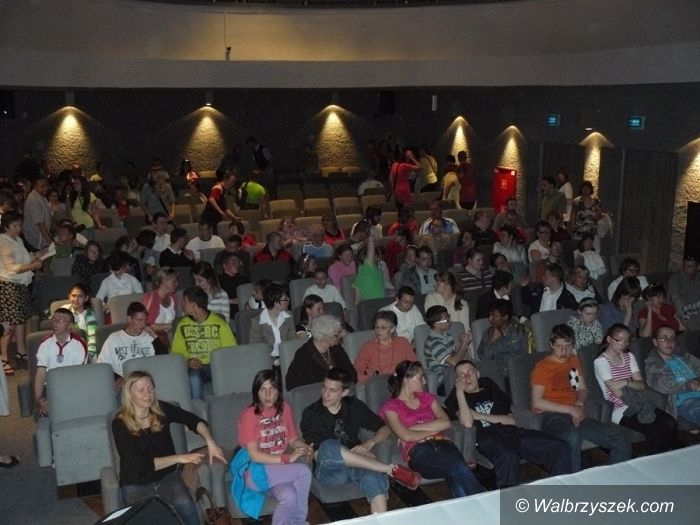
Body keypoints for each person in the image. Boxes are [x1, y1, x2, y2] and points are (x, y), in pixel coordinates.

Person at [301, 368, 420, 514]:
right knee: (328, 445)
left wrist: (370, 443)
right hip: (331, 472)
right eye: (324, 388)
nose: (325, 394)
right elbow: (318, 455)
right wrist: (360, 457)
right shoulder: (311, 413)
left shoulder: (354, 406)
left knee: (373, 475)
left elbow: (385, 427)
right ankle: (389, 469)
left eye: (332, 390)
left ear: (344, 392)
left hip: (358, 465)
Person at [113, 370, 225, 525]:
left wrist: (210, 442)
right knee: (150, 519)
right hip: (136, 483)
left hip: (167, 478)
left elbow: (193, 420)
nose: (148, 394)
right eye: (141, 390)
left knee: (187, 508)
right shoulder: (119, 424)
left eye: (151, 388)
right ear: (129, 394)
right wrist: (179, 458)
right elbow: (140, 465)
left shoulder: (160, 409)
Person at [445, 360, 572, 487]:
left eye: (470, 372)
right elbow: (467, 423)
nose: (467, 377)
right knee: (507, 457)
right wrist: (459, 392)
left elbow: (511, 421)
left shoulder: (490, 387)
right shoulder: (455, 398)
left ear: (477, 374)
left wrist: (480, 416)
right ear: (457, 380)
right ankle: (510, 498)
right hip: (486, 438)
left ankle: (559, 493)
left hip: (512, 433)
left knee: (560, 447)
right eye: (461, 375)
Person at [531, 324, 631, 472]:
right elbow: (537, 401)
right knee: (572, 437)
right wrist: (570, 409)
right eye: (559, 346)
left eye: (568, 346)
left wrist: (579, 402)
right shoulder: (542, 367)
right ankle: (574, 482)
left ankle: (618, 479)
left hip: (575, 413)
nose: (564, 351)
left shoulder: (573, 361)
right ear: (551, 345)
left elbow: (582, 389)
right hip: (551, 416)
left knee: (620, 437)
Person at [380, 360, 484, 498]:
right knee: (460, 467)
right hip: (419, 451)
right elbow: (407, 437)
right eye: (421, 377)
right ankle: (489, 503)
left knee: (457, 471)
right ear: (406, 380)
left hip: (444, 444)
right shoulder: (390, 407)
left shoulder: (428, 398)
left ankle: (470, 508)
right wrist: (432, 429)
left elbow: (445, 422)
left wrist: (413, 428)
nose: (424, 381)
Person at [234, 369, 311, 525]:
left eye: (272, 388)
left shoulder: (285, 408)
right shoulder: (249, 415)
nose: (268, 394)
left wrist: (304, 448)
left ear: (278, 390)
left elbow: (293, 439)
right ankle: (299, 522)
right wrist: (288, 458)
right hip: (256, 472)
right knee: (303, 472)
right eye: (263, 389)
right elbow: (254, 455)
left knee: (289, 496)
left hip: (278, 472)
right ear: (256, 392)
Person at [594, 324, 678, 454]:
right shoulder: (601, 362)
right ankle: (653, 460)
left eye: (626, 341)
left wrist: (625, 382)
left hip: (639, 402)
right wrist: (631, 383)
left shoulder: (629, 356)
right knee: (654, 430)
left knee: (671, 423)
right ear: (609, 339)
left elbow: (641, 384)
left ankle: (662, 456)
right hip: (619, 408)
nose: (623, 344)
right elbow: (617, 392)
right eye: (619, 340)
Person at [0, 212, 47, 375]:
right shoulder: (4, 241)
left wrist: (39, 254)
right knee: (9, 324)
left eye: (19, 225)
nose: (18, 228)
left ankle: (21, 351)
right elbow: (11, 268)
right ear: (6, 226)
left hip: (20, 285)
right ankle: (4, 358)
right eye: (15, 226)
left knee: (21, 321)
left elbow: (25, 259)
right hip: (8, 285)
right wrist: (33, 266)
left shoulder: (18, 240)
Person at [171, 286, 237, 399]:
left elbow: (230, 352)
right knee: (193, 376)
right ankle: (197, 409)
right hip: (195, 369)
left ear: (194, 306)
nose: (182, 304)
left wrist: (215, 363)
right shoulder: (182, 325)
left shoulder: (219, 324)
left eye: (185, 301)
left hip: (216, 368)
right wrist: (188, 362)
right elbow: (176, 354)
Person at [34, 308, 88, 415]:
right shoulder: (45, 344)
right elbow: (40, 374)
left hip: (72, 387)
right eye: (54, 319)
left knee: (64, 410)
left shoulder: (79, 345)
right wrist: (38, 398)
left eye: (60, 320)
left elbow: (77, 377)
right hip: (49, 387)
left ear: (70, 326)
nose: (55, 323)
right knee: (46, 409)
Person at [645, 325, 700, 426]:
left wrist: (698, 380)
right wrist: (688, 384)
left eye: (672, 338)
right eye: (664, 338)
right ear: (655, 342)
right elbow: (664, 386)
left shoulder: (682, 355)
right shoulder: (653, 364)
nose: (669, 342)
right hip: (685, 400)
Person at [285, 314, 356, 391]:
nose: (341, 336)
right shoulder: (303, 356)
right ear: (324, 337)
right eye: (336, 335)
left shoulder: (337, 348)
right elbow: (294, 386)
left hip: (342, 392)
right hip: (317, 395)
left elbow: (351, 373)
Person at [97, 302, 162, 386]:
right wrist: (117, 378)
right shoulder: (114, 338)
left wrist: (153, 334)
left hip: (147, 381)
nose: (143, 324)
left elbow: (164, 359)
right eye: (139, 320)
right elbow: (102, 365)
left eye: (145, 320)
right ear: (129, 319)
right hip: (125, 383)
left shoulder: (149, 337)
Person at [354, 310, 415, 383]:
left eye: (383, 328)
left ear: (392, 329)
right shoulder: (368, 347)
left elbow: (414, 365)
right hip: (378, 383)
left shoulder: (402, 342)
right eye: (377, 327)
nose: (378, 331)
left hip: (400, 382)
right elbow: (357, 370)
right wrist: (370, 380)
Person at [423, 305, 471, 389]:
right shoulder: (433, 342)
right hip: (443, 381)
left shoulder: (447, 336)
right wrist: (464, 343)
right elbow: (454, 362)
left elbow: (458, 357)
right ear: (436, 324)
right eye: (446, 318)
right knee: (458, 371)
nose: (449, 320)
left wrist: (465, 343)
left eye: (448, 317)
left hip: (454, 374)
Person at [250, 283, 296, 364]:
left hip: (287, 358)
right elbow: (256, 348)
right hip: (267, 362)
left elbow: (292, 340)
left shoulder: (288, 317)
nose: (288, 300)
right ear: (276, 303)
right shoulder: (257, 322)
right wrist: (274, 361)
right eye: (285, 299)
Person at [477, 299, 529, 367]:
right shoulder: (487, 333)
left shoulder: (520, 332)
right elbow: (484, 360)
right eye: (490, 315)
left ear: (505, 317)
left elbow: (526, 358)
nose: (490, 319)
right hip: (495, 370)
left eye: (495, 316)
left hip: (516, 369)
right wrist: (491, 341)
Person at [425, 271, 472, 346]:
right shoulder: (430, 298)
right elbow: (436, 322)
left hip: (459, 340)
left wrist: (465, 340)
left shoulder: (462, 303)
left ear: (447, 286)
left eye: (438, 284)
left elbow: (465, 327)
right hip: (439, 340)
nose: (434, 285)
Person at [61, 282, 99, 362]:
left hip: (84, 349)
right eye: (73, 296)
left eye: (80, 296)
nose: (76, 299)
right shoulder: (63, 310)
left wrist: (88, 355)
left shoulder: (89, 315)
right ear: (69, 296)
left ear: (86, 298)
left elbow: (93, 338)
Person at [142, 267, 180, 343]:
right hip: (153, 339)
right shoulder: (150, 298)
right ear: (164, 281)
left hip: (170, 338)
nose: (177, 284)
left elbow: (178, 319)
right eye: (174, 281)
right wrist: (171, 326)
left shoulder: (174, 297)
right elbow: (144, 326)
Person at [668, 254, 700, 328]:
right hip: (684, 311)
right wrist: (682, 316)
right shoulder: (676, 278)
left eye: (690, 266)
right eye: (684, 265)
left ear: (698, 267)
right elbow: (675, 298)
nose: (686, 268)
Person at [22, 175, 53, 250]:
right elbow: (40, 223)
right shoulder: (34, 199)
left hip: (43, 235)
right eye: (43, 186)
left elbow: (48, 216)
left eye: (47, 185)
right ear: (35, 187)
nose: (46, 188)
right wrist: (51, 242)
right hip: (36, 238)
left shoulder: (42, 196)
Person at [353, 234, 384, 304]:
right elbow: (371, 238)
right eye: (376, 255)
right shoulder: (368, 268)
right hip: (374, 306)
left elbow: (356, 302)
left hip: (376, 306)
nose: (380, 257)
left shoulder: (361, 273)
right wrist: (359, 248)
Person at [218, 252, 250, 318]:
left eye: (238, 261)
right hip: (226, 311)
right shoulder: (218, 281)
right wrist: (231, 301)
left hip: (244, 311)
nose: (237, 264)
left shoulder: (245, 280)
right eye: (233, 261)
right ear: (224, 265)